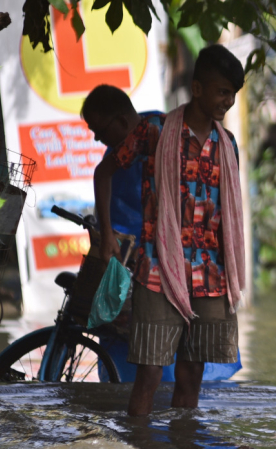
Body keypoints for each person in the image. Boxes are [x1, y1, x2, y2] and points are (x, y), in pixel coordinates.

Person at [83, 44, 246, 416]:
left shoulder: (227, 144)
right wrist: (106, 234)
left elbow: (228, 212)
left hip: (210, 274)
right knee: (149, 374)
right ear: (199, 88)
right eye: (222, 91)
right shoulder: (154, 130)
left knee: (191, 375)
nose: (228, 101)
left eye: (233, 94)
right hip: (157, 270)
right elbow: (104, 171)